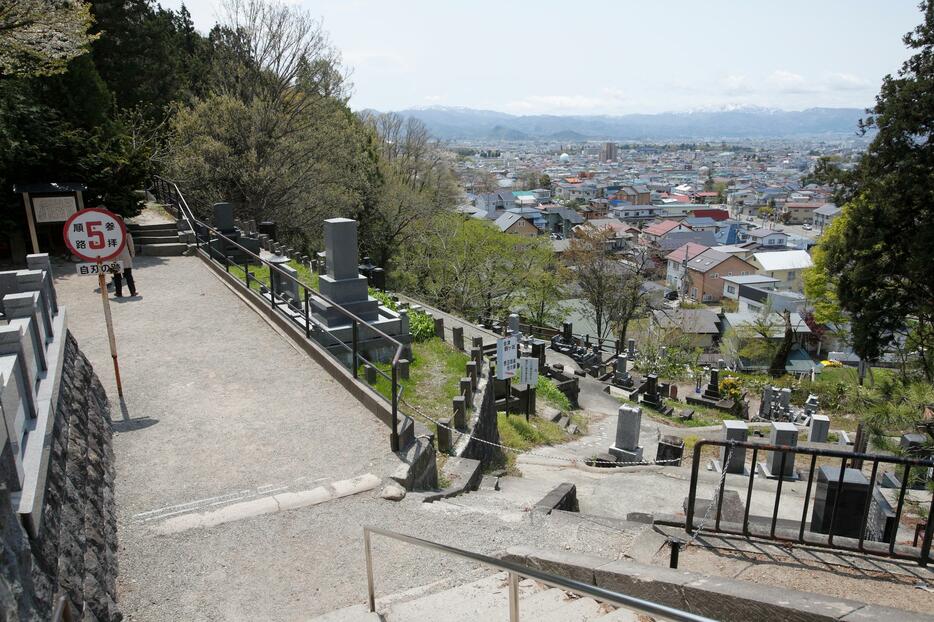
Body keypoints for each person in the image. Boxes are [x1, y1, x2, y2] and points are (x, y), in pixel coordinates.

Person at [113, 231, 138, 297]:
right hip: (125, 256)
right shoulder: (126, 232)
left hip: (114, 257)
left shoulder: (109, 232)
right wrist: (132, 255)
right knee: (128, 275)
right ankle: (133, 292)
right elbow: (130, 245)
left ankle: (118, 293)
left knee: (117, 276)